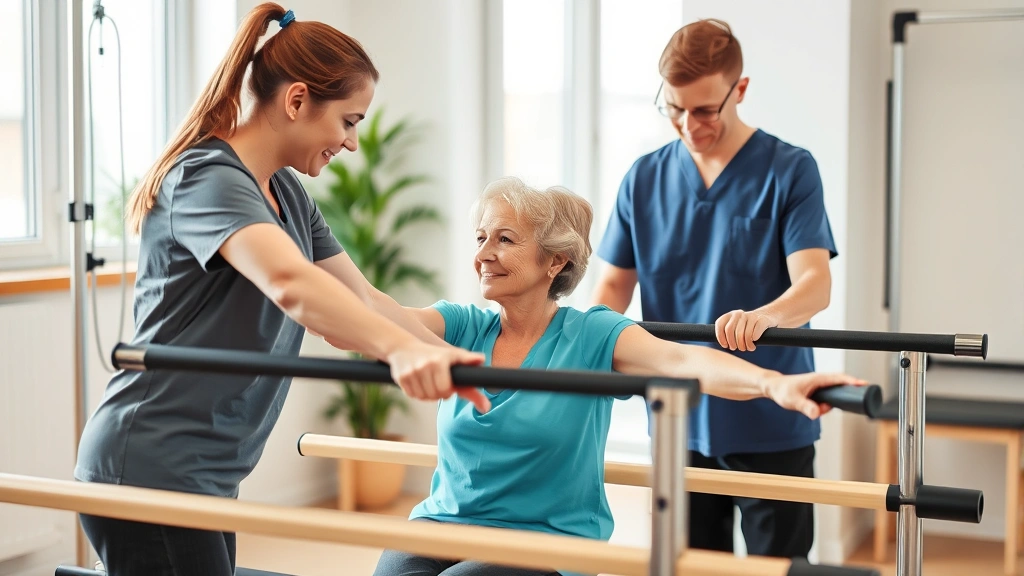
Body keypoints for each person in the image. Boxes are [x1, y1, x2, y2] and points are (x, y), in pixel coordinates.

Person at [73, 5, 491, 575]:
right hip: (151, 462)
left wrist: (449, 359)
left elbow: (364, 301)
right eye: (348, 121)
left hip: (207, 472)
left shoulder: (287, 195)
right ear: (296, 101)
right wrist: (401, 352)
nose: (350, 143)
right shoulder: (205, 178)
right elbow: (293, 285)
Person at [372, 178, 862, 576]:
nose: (483, 254)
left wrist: (775, 384)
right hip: (444, 523)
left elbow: (682, 362)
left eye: (504, 239)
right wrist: (307, 265)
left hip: (544, 542)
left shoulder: (591, 334)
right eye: (480, 238)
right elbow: (374, 319)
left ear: (555, 261)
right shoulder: (460, 325)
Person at [590, 19, 838, 559]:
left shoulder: (790, 170)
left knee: (779, 571)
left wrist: (766, 314)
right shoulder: (643, 177)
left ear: (739, 90)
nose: (687, 124)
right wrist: (586, 346)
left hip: (770, 418)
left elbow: (815, 284)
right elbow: (612, 286)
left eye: (704, 110)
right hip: (677, 417)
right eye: (674, 108)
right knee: (690, 567)